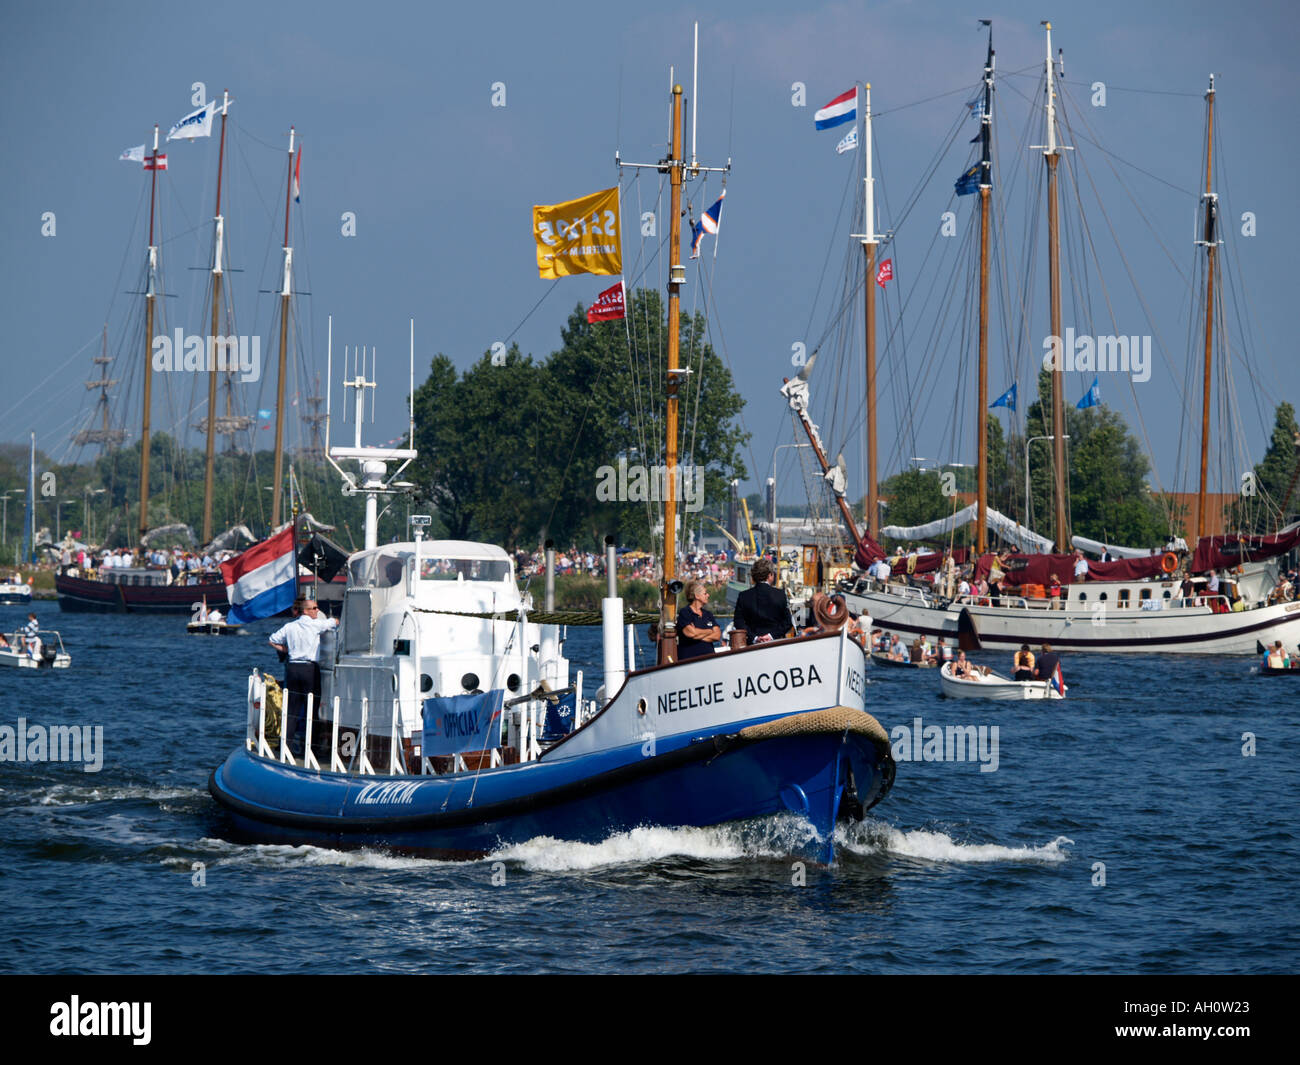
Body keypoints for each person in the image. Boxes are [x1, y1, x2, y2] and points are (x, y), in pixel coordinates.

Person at [268, 598, 338, 759]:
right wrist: (333, 619)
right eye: (314, 608)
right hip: (309, 669)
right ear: (305, 611)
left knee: (292, 709)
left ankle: (286, 746)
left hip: (293, 667)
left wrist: (285, 650)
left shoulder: (289, 626)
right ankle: (311, 747)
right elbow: (334, 622)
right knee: (312, 709)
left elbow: (272, 640)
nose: (316, 610)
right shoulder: (315, 625)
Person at [734, 558, 794, 645]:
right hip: (776, 643)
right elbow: (788, 622)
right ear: (770, 575)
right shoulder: (780, 594)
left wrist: (754, 637)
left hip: (752, 644)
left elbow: (738, 621)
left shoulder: (744, 596)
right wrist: (771, 636)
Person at [675, 580, 721, 660]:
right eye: (705, 593)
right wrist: (709, 631)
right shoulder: (685, 613)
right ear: (697, 596)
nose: (708, 595)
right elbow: (691, 633)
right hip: (689, 660)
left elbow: (717, 636)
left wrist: (697, 634)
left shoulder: (708, 614)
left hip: (710, 658)